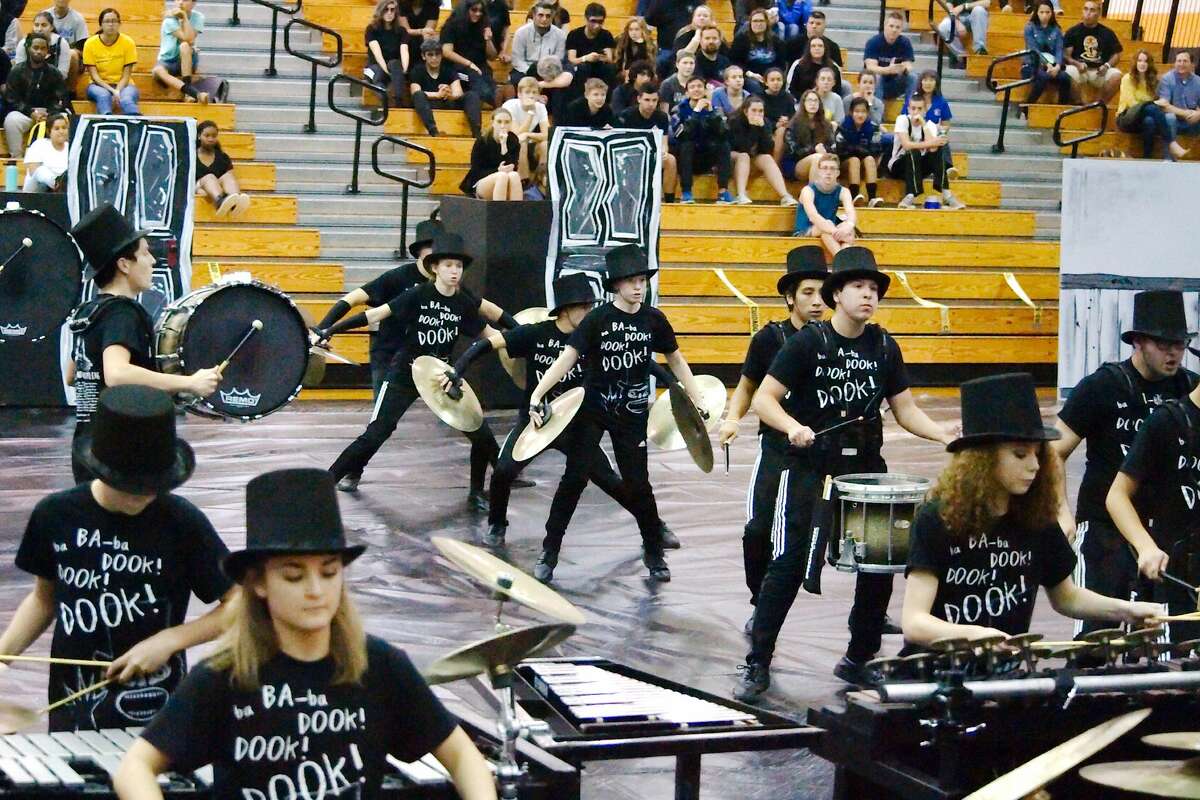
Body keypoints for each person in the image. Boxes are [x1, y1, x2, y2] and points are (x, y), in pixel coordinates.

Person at [113, 468, 497, 800]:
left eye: (329, 572)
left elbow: (465, 758)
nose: (315, 589)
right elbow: (136, 767)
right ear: (258, 583)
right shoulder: (224, 679)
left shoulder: (380, 666)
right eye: (294, 575)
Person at [734, 246, 956, 699]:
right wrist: (793, 427)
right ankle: (758, 659)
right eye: (858, 286)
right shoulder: (808, 342)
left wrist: (943, 435)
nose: (868, 296)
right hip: (809, 467)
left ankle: (859, 657)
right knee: (789, 563)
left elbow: (906, 410)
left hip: (865, 470)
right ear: (838, 294)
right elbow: (763, 399)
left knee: (879, 565)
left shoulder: (884, 345)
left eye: (874, 289)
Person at [0, 384, 236, 731]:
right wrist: (4, 655)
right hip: (73, 706)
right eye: (131, 486)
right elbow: (43, 600)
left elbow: (240, 603)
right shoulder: (55, 515)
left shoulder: (182, 522)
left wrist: (171, 640)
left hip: (156, 711)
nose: (144, 496)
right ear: (100, 467)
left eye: (155, 485)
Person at [901, 373, 1160, 652]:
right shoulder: (936, 518)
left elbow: (1067, 597)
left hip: (1004, 671)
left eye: (1038, 454)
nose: (1035, 466)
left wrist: (1128, 611)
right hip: (937, 671)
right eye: (1020, 455)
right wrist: (976, 636)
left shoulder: (1036, 519)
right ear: (982, 459)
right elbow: (914, 622)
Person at [446, 273, 678, 550]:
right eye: (583, 306)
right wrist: (457, 370)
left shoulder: (594, 333)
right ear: (566, 308)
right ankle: (497, 524)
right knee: (503, 471)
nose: (588, 311)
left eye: (590, 306)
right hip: (537, 421)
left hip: (577, 424)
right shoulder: (536, 332)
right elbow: (487, 343)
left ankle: (654, 526)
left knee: (611, 480)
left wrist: (673, 386)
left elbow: (643, 362)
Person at [527, 245, 707, 584]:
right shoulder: (597, 319)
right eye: (630, 281)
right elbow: (567, 357)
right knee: (574, 479)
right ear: (615, 286)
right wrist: (538, 393)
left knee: (639, 484)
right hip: (593, 410)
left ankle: (653, 551)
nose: (638, 287)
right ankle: (549, 551)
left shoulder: (653, 319)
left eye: (641, 280)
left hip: (633, 413)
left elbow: (676, 360)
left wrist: (696, 397)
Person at [319, 232, 506, 506]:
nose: (454, 272)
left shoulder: (463, 302)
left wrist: (525, 340)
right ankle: (326, 483)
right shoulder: (417, 294)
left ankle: (477, 491)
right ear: (434, 267)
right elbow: (373, 314)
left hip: (441, 376)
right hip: (405, 373)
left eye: (459, 266)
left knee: (479, 431)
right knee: (377, 432)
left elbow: (491, 334)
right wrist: (330, 329)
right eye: (448, 266)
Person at [1054, 291, 1197, 642]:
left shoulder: (1187, 387)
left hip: (1160, 530)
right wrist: (1061, 511)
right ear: (1138, 342)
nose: (1173, 353)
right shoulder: (1103, 386)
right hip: (1105, 523)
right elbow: (1053, 450)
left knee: (1159, 634)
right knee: (1097, 634)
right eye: (1164, 344)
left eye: (1180, 344)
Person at [66, 205, 222, 483]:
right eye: (145, 253)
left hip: (85, 449)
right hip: (121, 450)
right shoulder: (123, 313)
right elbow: (117, 375)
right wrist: (189, 383)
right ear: (124, 265)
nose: (152, 261)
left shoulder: (87, 311)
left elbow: (72, 375)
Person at [719, 246, 828, 630]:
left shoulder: (835, 341)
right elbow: (748, 386)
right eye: (807, 293)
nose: (817, 302)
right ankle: (759, 600)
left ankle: (872, 609)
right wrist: (732, 418)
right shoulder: (769, 338)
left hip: (819, 454)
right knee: (757, 530)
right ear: (789, 297)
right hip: (777, 448)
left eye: (822, 293)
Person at [1106, 326, 1200, 642]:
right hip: (1169, 574)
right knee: (1164, 679)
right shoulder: (1167, 420)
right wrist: (1145, 546)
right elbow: (1117, 496)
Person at [890, 94, 964, 210]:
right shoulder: (902, 120)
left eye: (920, 109)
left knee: (938, 149)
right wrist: (931, 143)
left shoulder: (930, 125)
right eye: (913, 108)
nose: (916, 112)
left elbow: (934, 149)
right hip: (899, 165)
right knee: (914, 151)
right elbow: (907, 145)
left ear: (925, 110)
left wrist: (924, 124)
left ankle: (947, 194)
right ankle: (910, 195)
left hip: (919, 167)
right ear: (908, 109)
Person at [3, 33, 69, 158]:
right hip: (25, 115)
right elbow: (11, 99)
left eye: (42, 48)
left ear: (47, 51)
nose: (39, 51)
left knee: (64, 118)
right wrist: (30, 112)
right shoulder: (16, 71)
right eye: (36, 47)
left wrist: (49, 113)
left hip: (49, 115)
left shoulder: (54, 72)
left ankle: (60, 157)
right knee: (11, 120)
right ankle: (16, 157)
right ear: (28, 48)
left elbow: (61, 98)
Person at [670, 74, 734, 204]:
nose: (696, 89)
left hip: (707, 157)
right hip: (686, 158)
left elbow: (724, 133)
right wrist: (696, 112)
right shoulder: (678, 110)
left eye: (699, 86)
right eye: (692, 87)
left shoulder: (714, 109)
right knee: (686, 145)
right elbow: (680, 135)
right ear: (687, 92)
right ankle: (686, 192)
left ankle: (723, 191)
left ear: (705, 90)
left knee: (724, 145)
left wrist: (711, 114)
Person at [616, 80, 679, 202]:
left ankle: (669, 201)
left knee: (670, 160)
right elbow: (620, 144)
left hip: (652, 154)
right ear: (639, 99)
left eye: (654, 101)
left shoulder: (661, 117)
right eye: (647, 100)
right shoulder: (626, 116)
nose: (651, 104)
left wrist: (663, 153)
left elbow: (664, 143)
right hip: (631, 155)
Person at [730, 95, 797, 205]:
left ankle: (785, 196)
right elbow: (742, 147)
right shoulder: (735, 121)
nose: (758, 114)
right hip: (733, 159)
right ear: (746, 111)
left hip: (751, 159)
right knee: (744, 156)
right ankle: (741, 194)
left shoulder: (765, 123)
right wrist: (753, 129)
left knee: (767, 158)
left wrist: (760, 129)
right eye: (754, 110)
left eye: (761, 111)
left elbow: (767, 149)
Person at [507, 2, 571, 115]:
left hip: (550, 73)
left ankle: (557, 123)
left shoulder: (560, 35)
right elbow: (517, 60)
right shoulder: (521, 33)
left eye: (548, 16)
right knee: (517, 78)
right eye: (540, 15)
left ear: (552, 17)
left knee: (561, 89)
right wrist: (534, 73)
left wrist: (545, 75)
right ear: (534, 15)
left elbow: (558, 60)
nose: (544, 19)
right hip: (527, 70)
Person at [410, 38, 482, 138]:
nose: (434, 58)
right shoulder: (417, 71)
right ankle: (434, 132)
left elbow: (458, 93)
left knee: (471, 95)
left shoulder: (448, 70)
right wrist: (437, 94)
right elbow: (415, 91)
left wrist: (449, 93)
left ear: (441, 55)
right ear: (423, 56)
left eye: (437, 54)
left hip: (447, 101)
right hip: (429, 104)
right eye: (430, 55)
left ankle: (477, 134)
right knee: (418, 96)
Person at [1118, 49, 1178, 159]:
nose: (1142, 64)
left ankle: (1147, 158)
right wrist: (1152, 104)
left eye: (1145, 61)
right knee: (1150, 107)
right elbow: (1132, 103)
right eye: (1139, 60)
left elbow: (1160, 103)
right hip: (1127, 118)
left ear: (1149, 64)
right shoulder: (1127, 78)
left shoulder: (1152, 81)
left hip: (1144, 120)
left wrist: (1155, 103)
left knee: (1149, 121)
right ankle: (1171, 143)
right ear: (1135, 63)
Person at [82, 9, 139, 116]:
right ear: (101, 25)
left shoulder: (128, 42)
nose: (111, 24)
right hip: (98, 85)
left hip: (124, 85)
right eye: (107, 21)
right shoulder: (90, 44)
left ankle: (137, 123)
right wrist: (112, 91)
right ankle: (106, 121)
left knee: (126, 98)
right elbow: (94, 76)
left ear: (119, 24)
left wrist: (118, 90)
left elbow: (126, 76)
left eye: (114, 21)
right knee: (103, 96)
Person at [441, 0, 498, 108]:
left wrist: (488, 40)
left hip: (481, 67)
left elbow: (492, 57)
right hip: (457, 68)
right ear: (465, 10)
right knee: (478, 82)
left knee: (489, 82)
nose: (478, 14)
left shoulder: (484, 27)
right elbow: (446, 52)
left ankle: (500, 100)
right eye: (474, 10)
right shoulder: (451, 25)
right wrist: (469, 63)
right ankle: (498, 102)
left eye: (481, 11)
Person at [1063, 0, 1122, 104]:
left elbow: (1117, 54)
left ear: (1098, 13)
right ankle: (1078, 103)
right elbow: (1066, 56)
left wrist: (1107, 66)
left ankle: (1098, 104)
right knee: (1068, 71)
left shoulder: (1107, 33)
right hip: (1080, 69)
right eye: (1085, 9)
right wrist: (1077, 64)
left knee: (1117, 75)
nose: (1088, 13)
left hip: (1099, 71)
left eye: (1092, 10)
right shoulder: (1073, 31)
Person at [794, 153, 854, 252]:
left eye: (832, 169)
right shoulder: (808, 190)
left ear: (837, 173)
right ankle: (841, 261)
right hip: (805, 230)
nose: (828, 172)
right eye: (825, 168)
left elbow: (851, 212)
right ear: (819, 171)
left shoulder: (843, 191)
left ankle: (844, 260)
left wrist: (849, 225)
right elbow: (813, 217)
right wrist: (835, 231)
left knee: (848, 229)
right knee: (826, 226)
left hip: (830, 230)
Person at [152, 0, 209, 104]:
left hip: (188, 59)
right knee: (157, 71)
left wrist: (184, 18)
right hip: (168, 60)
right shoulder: (169, 20)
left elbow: (189, 39)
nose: (181, 2)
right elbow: (185, 37)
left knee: (184, 46)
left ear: (193, 3)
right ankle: (193, 92)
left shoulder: (198, 17)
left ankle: (188, 94)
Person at [460, 107, 523, 199]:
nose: (503, 125)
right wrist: (497, 171)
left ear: (511, 124)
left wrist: (504, 145)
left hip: (505, 179)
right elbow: (476, 171)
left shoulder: (513, 140)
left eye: (506, 122)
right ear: (493, 123)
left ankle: (517, 212)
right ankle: (497, 212)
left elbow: (513, 167)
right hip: (481, 181)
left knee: (514, 175)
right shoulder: (482, 141)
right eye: (499, 121)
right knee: (502, 176)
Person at [903, 70, 956, 174]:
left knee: (942, 138)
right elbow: (904, 119)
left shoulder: (941, 102)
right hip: (914, 133)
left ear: (936, 83)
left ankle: (948, 168)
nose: (928, 83)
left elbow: (946, 124)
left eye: (931, 80)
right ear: (920, 82)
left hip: (932, 134)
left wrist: (940, 130)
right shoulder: (913, 99)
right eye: (925, 80)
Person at [777, 89, 835, 184]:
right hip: (795, 163)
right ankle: (812, 195)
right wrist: (814, 150)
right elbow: (793, 151)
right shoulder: (794, 124)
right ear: (803, 103)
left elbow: (833, 147)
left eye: (815, 100)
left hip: (821, 161)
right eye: (809, 100)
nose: (813, 103)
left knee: (824, 160)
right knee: (817, 158)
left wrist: (825, 150)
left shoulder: (826, 125)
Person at [195, 119, 250, 219]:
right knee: (210, 177)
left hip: (217, 188)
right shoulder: (191, 155)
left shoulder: (223, 157)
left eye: (214, 136)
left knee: (228, 176)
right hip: (198, 187)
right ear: (199, 136)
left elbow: (230, 176)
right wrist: (200, 191)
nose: (211, 139)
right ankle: (220, 202)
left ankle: (234, 202)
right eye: (207, 136)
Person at [1022, 0, 1070, 108]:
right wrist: (1046, 64)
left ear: (1052, 13)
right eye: (1041, 12)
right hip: (1032, 65)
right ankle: (1026, 107)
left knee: (1065, 78)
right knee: (1043, 77)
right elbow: (1033, 49)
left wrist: (1057, 66)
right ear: (1036, 13)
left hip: (1053, 66)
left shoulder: (1056, 29)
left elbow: (1059, 49)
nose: (1045, 15)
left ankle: (1061, 109)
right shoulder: (1029, 27)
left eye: (1048, 12)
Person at [836, 97, 882, 207]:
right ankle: (854, 196)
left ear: (867, 113)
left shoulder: (873, 127)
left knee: (870, 159)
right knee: (854, 160)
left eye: (863, 112)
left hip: (865, 163)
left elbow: (876, 149)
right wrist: (859, 150)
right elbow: (840, 150)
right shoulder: (843, 126)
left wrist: (855, 149)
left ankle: (872, 198)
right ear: (851, 112)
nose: (860, 115)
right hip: (845, 164)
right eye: (857, 111)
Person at [364, 0, 412, 108]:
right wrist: (387, 71)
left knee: (395, 64)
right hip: (375, 65)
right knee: (379, 76)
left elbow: (404, 50)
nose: (389, 13)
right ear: (380, 11)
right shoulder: (372, 29)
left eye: (392, 10)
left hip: (393, 67)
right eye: (386, 10)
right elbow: (377, 53)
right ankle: (389, 100)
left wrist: (403, 70)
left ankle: (398, 100)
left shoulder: (401, 31)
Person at [503, 75, 550, 179]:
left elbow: (547, 135)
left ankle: (543, 182)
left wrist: (528, 134)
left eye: (534, 93)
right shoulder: (509, 105)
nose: (531, 96)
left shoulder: (541, 107)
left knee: (545, 145)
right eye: (527, 92)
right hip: (508, 144)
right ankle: (523, 181)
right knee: (521, 142)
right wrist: (530, 113)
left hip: (528, 140)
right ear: (519, 94)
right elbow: (516, 135)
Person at [1156, 50, 1200, 159]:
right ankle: (1168, 159)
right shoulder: (1167, 79)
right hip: (1174, 121)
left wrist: (1198, 115)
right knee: (1169, 118)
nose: (1181, 64)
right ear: (1174, 63)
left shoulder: (1198, 81)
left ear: (1192, 64)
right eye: (1178, 61)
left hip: (1193, 122)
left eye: (1185, 61)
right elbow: (1164, 106)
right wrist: (1185, 113)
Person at [566, 2, 617, 95]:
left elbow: (610, 59)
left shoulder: (606, 35)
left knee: (611, 68)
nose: (597, 25)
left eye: (600, 22)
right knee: (583, 67)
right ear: (585, 19)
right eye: (593, 21)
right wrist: (586, 58)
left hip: (599, 66)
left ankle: (608, 99)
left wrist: (599, 58)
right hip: (581, 67)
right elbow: (571, 59)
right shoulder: (574, 34)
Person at [863, 11, 915, 101]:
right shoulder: (873, 42)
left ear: (901, 29)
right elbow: (870, 68)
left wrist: (903, 68)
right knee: (877, 77)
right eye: (891, 26)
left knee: (913, 77)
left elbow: (909, 65)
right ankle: (877, 111)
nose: (894, 30)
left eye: (897, 27)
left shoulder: (905, 42)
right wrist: (889, 70)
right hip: (877, 84)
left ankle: (909, 110)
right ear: (885, 26)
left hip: (895, 82)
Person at [730, 8, 786, 89]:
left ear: (767, 23)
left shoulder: (776, 41)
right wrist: (750, 74)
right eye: (755, 21)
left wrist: (770, 77)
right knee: (754, 85)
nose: (758, 24)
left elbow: (781, 64)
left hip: (771, 76)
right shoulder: (741, 40)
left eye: (761, 21)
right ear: (750, 23)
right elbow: (734, 62)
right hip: (749, 76)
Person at [43, 0, 87, 86]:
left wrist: (62, 52)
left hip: (70, 56)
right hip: (48, 52)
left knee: (72, 54)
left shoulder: (78, 19)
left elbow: (81, 49)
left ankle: (70, 91)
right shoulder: (44, 15)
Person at [22, 111, 68, 192]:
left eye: (64, 128)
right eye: (56, 128)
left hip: (64, 188)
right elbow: (34, 171)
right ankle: (57, 183)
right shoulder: (39, 144)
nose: (61, 131)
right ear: (49, 131)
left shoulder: (71, 147)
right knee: (41, 170)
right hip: (37, 189)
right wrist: (53, 181)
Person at [16, 12, 71, 79]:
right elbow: (19, 71)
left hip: (53, 83)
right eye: (36, 25)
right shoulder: (23, 43)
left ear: (51, 27)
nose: (39, 29)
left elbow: (63, 73)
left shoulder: (61, 43)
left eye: (44, 25)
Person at [936, 0, 990, 66]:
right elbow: (949, 5)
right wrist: (956, 22)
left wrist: (964, 6)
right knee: (943, 27)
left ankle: (980, 50)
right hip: (957, 17)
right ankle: (962, 56)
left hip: (976, 17)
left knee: (979, 10)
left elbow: (987, 2)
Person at [614, 16, 657, 82]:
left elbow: (651, 63)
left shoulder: (649, 44)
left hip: (643, 73)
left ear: (642, 30)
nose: (633, 33)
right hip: (627, 73)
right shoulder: (623, 43)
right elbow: (620, 64)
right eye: (630, 29)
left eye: (637, 29)